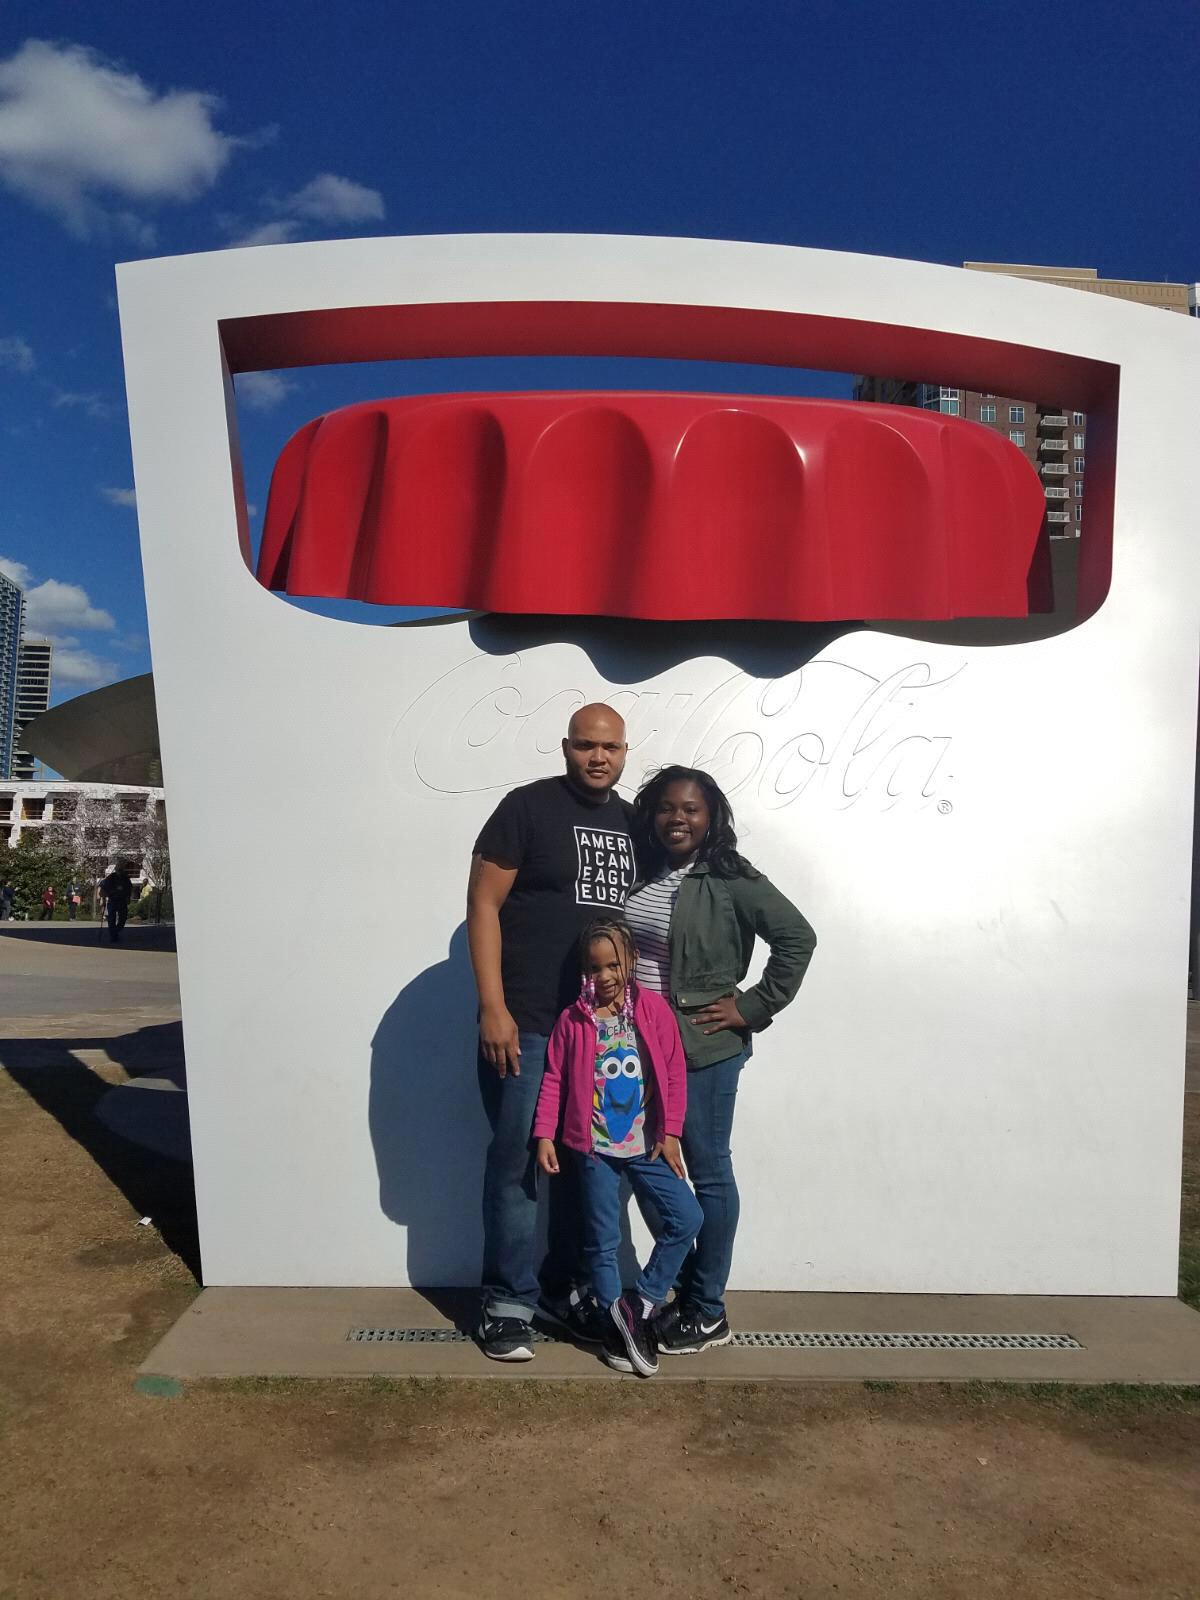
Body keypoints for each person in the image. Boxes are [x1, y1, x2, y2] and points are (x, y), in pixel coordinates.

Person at [625, 765, 817, 1355]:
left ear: (711, 818)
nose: (677, 818)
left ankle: (706, 1309)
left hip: (703, 1048)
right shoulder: (644, 871)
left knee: (707, 1173)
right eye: (667, 807)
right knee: (647, 1167)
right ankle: (687, 1290)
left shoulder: (730, 875)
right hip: (637, 1048)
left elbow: (797, 937)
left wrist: (752, 1007)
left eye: (691, 809)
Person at [467, 703, 636, 1362]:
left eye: (610, 748)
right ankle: (506, 1302)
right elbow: (483, 903)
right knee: (517, 1162)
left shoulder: (634, 822)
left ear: (625, 753)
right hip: (528, 1023)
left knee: (584, 1164)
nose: (599, 757)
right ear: (567, 748)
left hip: (599, 1033)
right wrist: (493, 1006)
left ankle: (565, 1288)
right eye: (587, 745)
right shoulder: (527, 809)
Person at [534, 917, 701, 1377]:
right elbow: (554, 1079)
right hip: (594, 1151)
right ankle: (615, 1323)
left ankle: (640, 1305)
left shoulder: (652, 1011)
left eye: (614, 965)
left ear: (632, 961)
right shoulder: (573, 1021)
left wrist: (670, 1133)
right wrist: (545, 1133)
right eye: (594, 967)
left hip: (647, 1146)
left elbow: (673, 1072)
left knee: (687, 1217)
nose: (605, 976)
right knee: (602, 1242)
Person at [99, 863, 134, 942]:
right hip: (113, 900)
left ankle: (116, 930)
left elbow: (129, 889)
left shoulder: (125, 878)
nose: (120, 871)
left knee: (123, 918)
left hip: (122, 900)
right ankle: (113, 935)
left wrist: (128, 898)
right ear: (116, 870)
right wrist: (103, 898)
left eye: (121, 869)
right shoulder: (111, 878)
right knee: (111, 918)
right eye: (119, 869)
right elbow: (103, 888)